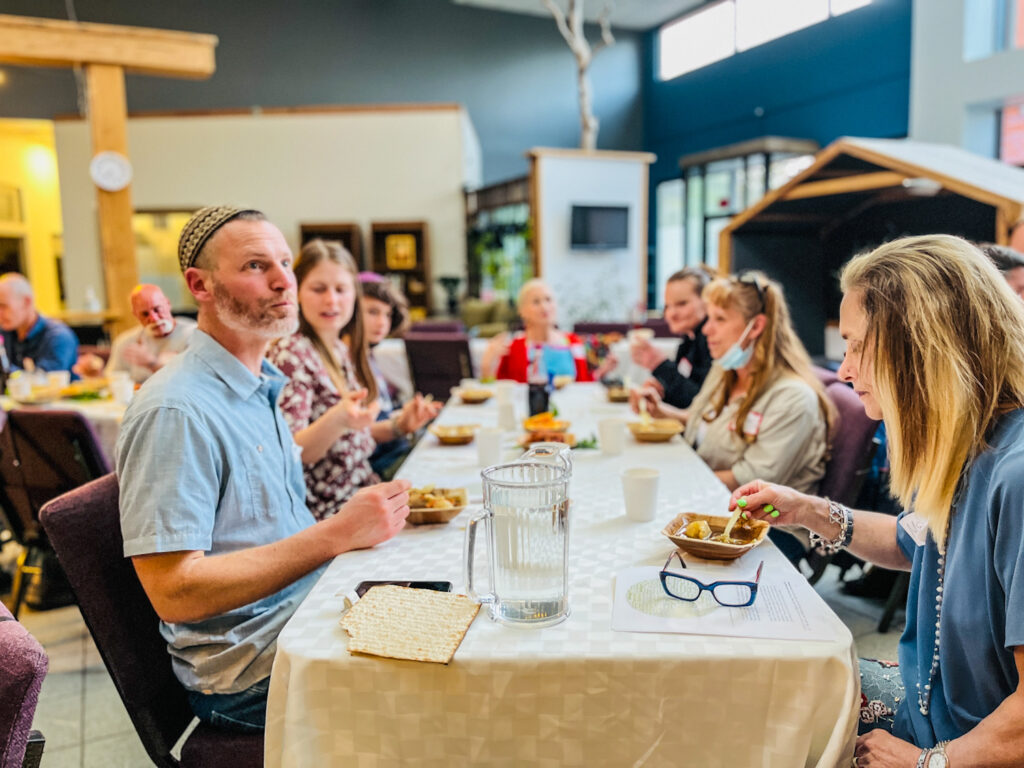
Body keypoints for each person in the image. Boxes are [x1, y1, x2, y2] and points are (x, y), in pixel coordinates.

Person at [729, 235, 1024, 767]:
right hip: (928, 708)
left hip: (964, 745)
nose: (844, 370)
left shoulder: (1017, 476)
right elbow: (912, 542)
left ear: (924, 346)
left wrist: (928, 763)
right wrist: (808, 510)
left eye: (857, 345)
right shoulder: (970, 442)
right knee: (751, 676)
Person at [116, 206, 410, 733]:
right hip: (248, 672)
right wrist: (336, 534)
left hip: (306, 614)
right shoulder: (176, 407)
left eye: (284, 263)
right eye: (255, 266)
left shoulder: (260, 385)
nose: (282, 282)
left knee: (470, 621)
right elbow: (174, 590)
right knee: (450, 691)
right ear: (199, 285)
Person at [267, 240, 437, 520]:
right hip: (331, 513)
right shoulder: (291, 352)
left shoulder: (338, 349)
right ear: (296, 291)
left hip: (363, 492)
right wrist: (338, 419)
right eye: (318, 289)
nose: (331, 300)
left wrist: (399, 425)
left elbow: (350, 436)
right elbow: (293, 452)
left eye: (341, 290)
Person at [634, 271, 833, 495]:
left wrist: (675, 480)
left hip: (763, 524)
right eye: (709, 318)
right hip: (711, 497)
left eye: (719, 319)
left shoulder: (793, 398)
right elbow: (700, 421)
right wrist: (661, 412)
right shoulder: (725, 371)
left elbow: (749, 481)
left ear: (756, 327)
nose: (707, 329)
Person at [359, 272, 435, 477]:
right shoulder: (347, 363)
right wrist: (399, 426)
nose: (382, 322)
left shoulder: (369, 357)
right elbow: (353, 435)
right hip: (380, 466)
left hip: (396, 452)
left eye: (387, 314)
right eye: (373, 312)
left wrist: (408, 414)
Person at [74, 283, 196, 383]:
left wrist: (152, 363)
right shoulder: (125, 342)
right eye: (145, 314)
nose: (153, 318)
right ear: (136, 315)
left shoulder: (194, 334)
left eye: (157, 309)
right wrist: (96, 374)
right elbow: (114, 382)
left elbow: (193, 380)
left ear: (168, 304)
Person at [630, 266, 713, 408]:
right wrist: (661, 392)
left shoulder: (712, 341)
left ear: (706, 301)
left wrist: (660, 365)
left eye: (682, 304)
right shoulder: (689, 341)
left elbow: (703, 405)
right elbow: (685, 397)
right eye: (667, 306)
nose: (671, 314)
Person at [479, 279, 593, 383]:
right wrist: (486, 365)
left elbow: (584, 384)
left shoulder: (573, 342)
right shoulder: (513, 348)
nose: (544, 307)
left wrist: (603, 371)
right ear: (522, 311)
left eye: (548, 299)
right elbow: (500, 389)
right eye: (536, 302)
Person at [0, 272, 78, 374]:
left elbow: (43, 380)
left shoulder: (58, 336)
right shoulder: (6, 331)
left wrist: (5, 371)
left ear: (26, 302)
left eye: (3, 306)